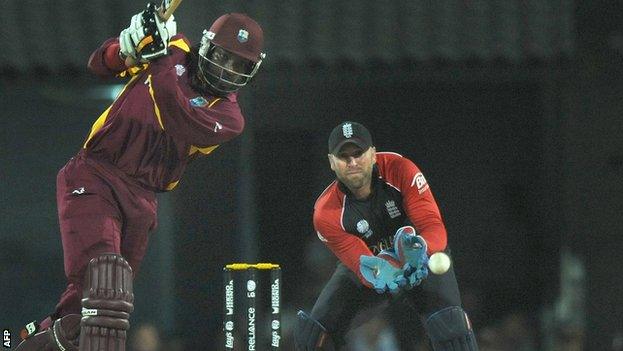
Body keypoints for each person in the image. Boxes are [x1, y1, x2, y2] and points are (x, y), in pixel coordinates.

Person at [16, 4, 265, 350]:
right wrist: (129, 47)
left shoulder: (229, 116)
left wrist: (157, 56)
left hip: (142, 201)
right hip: (95, 175)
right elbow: (99, 62)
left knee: (82, 319)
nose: (228, 69)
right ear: (206, 46)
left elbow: (172, 111)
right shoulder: (175, 48)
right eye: (224, 56)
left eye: (240, 65)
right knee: (108, 291)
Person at [294, 121, 479, 350]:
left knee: (452, 331)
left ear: (372, 154)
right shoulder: (326, 213)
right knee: (315, 336)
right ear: (332, 162)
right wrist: (383, 268)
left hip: (420, 257)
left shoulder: (401, 169)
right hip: (375, 267)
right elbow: (358, 260)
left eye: (358, 153)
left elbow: (432, 225)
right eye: (344, 157)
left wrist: (422, 248)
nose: (352, 162)